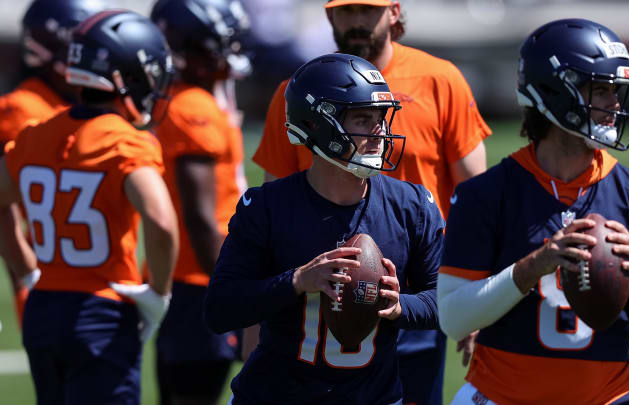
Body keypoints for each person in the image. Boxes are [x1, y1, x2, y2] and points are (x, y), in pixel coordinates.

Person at [438, 18, 629, 404]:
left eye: (617, 91)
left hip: (608, 396)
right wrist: (533, 266)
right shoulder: (487, 194)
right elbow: (453, 319)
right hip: (501, 395)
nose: (614, 105)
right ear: (553, 91)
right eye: (601, 90)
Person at [251, 2, 492, 402]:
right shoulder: (299, 92)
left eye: (368, 10)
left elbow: (479, 202)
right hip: (319, 304)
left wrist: (474, 299)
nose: (357, 22)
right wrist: (257, 319)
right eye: (346, 12)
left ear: (394, 13)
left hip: (415, 294)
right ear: (330, 17)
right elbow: (271, 214)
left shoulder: (439, 79)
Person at [205, 53, 444, 404]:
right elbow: (220, 309)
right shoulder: (268, 208)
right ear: (318, 124)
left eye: (381, 118)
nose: (379, 132)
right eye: (363, 118)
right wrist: (297, 281)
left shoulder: (412, 207)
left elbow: (448, 302)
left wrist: (400, 306)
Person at [0, 10, 179, 405]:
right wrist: (158, 293)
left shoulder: (35, 135)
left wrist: (27, 268)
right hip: (103, 310)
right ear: (128, 76)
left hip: (43, 310)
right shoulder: (125, 142)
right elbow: (162, 222)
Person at [149, 0, 251, 403]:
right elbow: (200, 219)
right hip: (202, 281)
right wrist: (236, 289)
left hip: (189, 279)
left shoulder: (191, 98)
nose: (232, 49)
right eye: (222, 41)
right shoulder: (193, 108)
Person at [0, 0, 110, 329]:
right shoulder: (24, 109)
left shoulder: (66, 105)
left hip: (87, 275)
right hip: (52, 279)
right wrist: (26, 275)